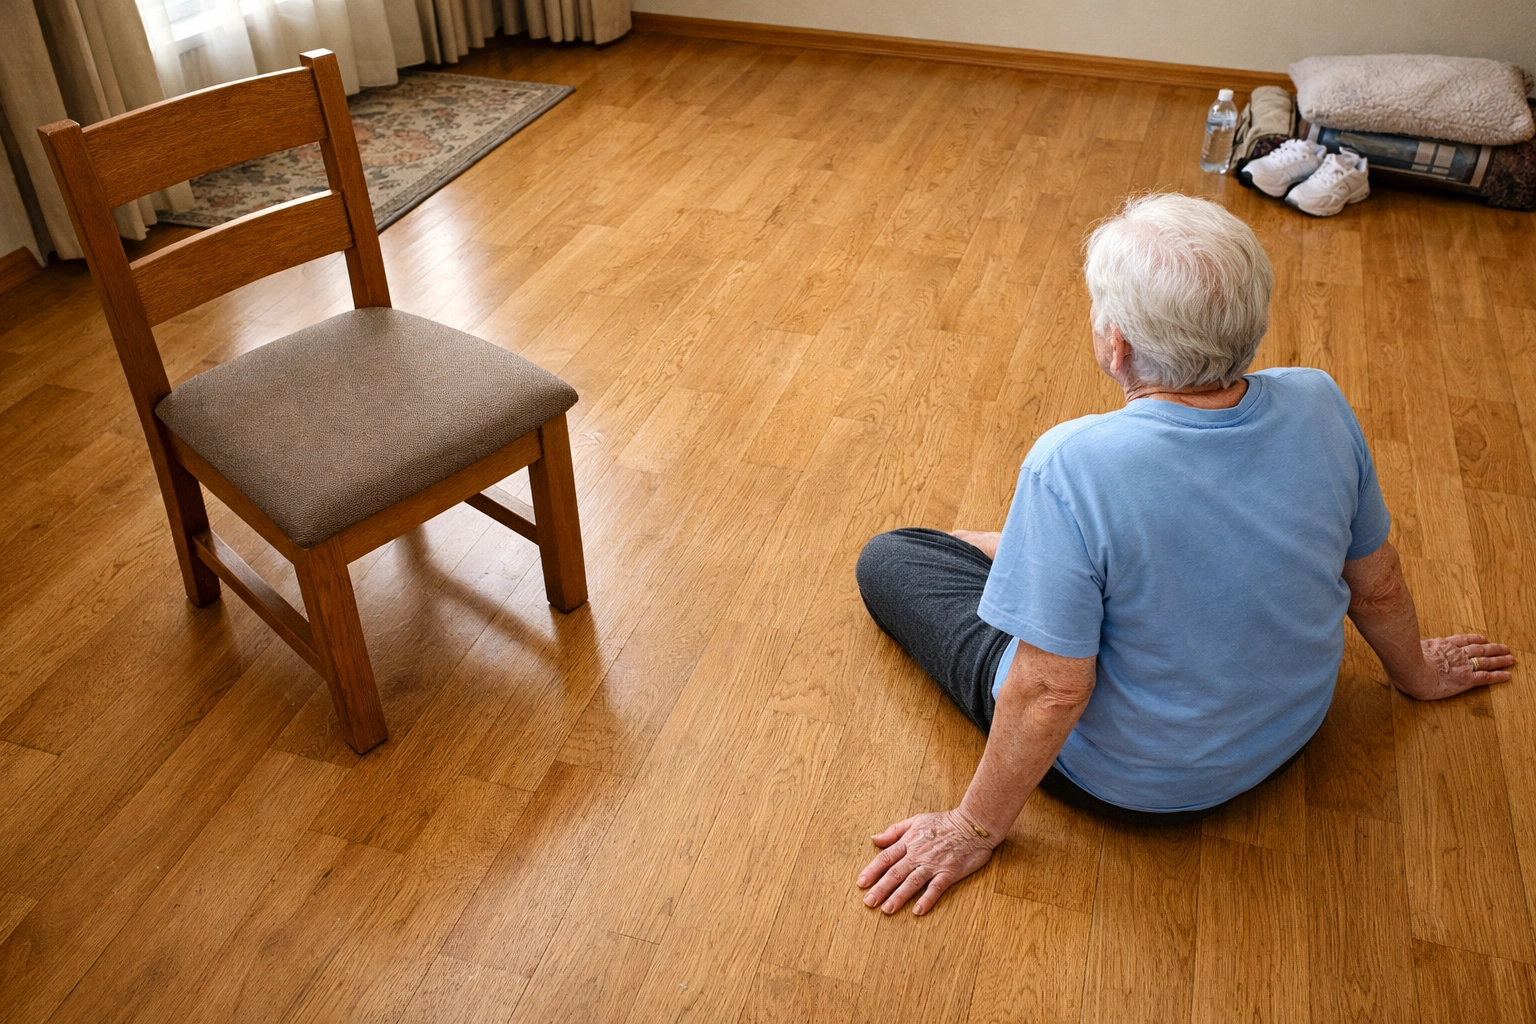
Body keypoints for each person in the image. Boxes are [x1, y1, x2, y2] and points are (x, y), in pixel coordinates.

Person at [852, 193, 1516, 918]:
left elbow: (1051, 691)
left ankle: (1042, 561)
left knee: (892, 556)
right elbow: (1378, 585)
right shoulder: (1319, 400)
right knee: (1070, 553)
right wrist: (1416, 673)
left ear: (1118, 345)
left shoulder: (1072, 463)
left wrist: (971, 829)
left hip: (1140, 783)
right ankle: (1048, 559)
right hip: (1291, 726)